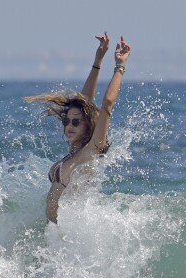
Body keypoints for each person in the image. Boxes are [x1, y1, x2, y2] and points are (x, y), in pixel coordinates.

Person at [24, 32, 131, 224]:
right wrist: (98, 60)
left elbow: (107, 103)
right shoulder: (73, 153)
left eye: (76, 122)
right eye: (67, 121)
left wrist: (119, 66)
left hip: (68, 241)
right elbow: (85, 102)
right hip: (52, 237)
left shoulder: (92, 150)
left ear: (88, 124)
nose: (69, 126)